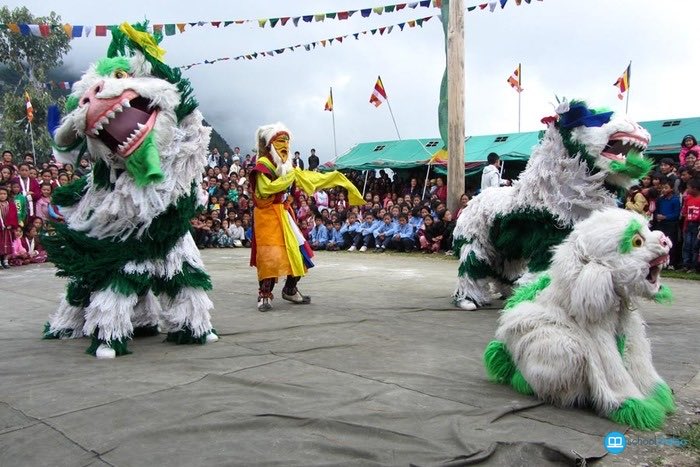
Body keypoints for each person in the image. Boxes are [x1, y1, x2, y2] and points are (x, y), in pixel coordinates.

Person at [653, 177, 681, 267]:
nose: (664, 190)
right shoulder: (660, 199)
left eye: (666, 188)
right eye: (662, 188)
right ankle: (660, 262)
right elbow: (656, 210)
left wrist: (665, 217)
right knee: (660, 243)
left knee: (670, 243)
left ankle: (671, 263)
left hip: (671, 224)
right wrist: (657, 216)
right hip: (661, 224)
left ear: (671, 189)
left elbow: (676, 214)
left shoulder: (675, 199)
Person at [680, 178, 700, 272]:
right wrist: (685, 226)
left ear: (695, 189)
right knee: (686, 245)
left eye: (689, 188)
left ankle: (693, 265)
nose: (687, 190)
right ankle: (685, 264)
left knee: (695, 246)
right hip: (688, 224)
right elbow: (684, 212)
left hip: (697, 225)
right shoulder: (688, 198)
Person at [0, 185, 19, 268]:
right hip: (0, 229)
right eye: (0, 194)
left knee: (7, 245)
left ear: (7, 195)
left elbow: (14, 216)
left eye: (4, 194)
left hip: (8, 229)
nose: (2, 195)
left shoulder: (11, 205)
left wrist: (11, 224)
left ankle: (5, 261)